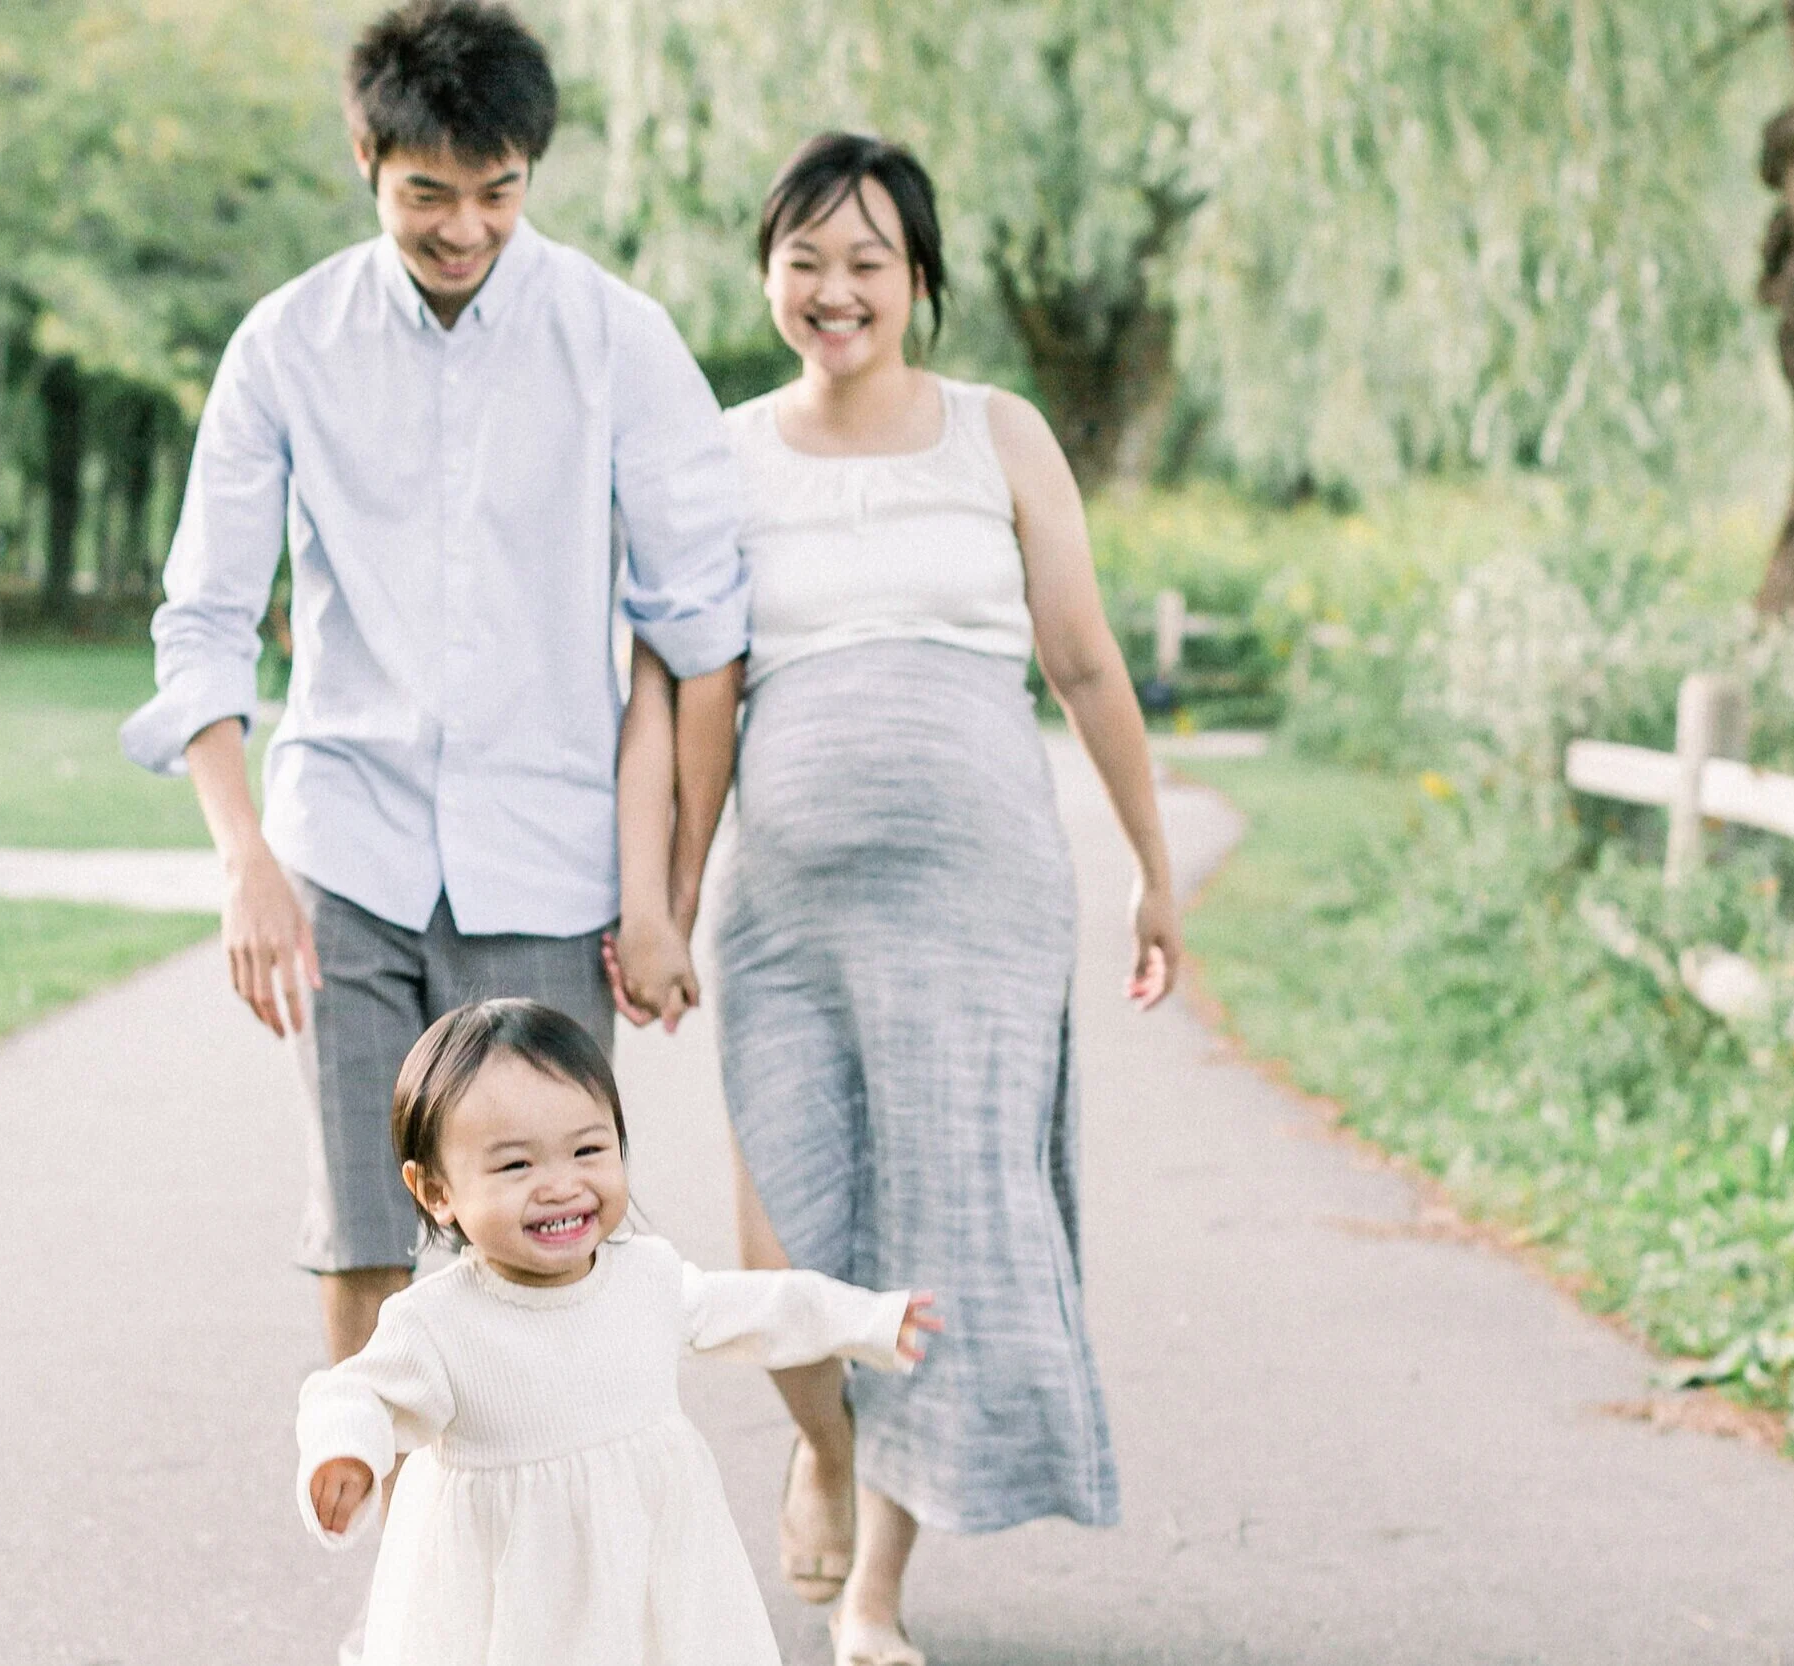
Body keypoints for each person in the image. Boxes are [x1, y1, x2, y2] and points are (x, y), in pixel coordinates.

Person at [614, 133, 1183, 1666]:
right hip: (787, 905)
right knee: (782, 1230)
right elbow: (692, 696)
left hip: (981, 901)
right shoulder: (719, 453)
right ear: (767, 277)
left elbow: (1081, 661)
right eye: (805, 260)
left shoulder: (1000, 436)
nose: (834, 290)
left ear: (920, 281)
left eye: (868, 262)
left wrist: (1150, 863)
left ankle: (875, 1593)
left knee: (935, 1226)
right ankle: (826, 1438)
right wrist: (664, 895)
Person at [118, 0, 746, 1373]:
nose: (464, 225)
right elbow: (207, 621)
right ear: (364, 158)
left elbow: (701, 633)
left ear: (530, 170)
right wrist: (245, 860)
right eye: (427, 195)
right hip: (347, 854)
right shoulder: (286, 343)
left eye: (497, 192)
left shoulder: (617, 338)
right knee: (365, 1241)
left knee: (551, 1244)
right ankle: (407, 1579)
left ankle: (537, 1572)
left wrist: (669, 899)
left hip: (548, 866)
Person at [297, 1000, 940, 1666]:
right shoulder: (437, 1323)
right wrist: (344, 1450)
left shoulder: (648, 1279)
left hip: (646, 1566)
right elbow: (353, 1392)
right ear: (436, 1192)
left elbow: (764, 1306)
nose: (561, 1184)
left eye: (588, 1149)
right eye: (516, 1166)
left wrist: (867, 1320)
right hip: (514, 1594)